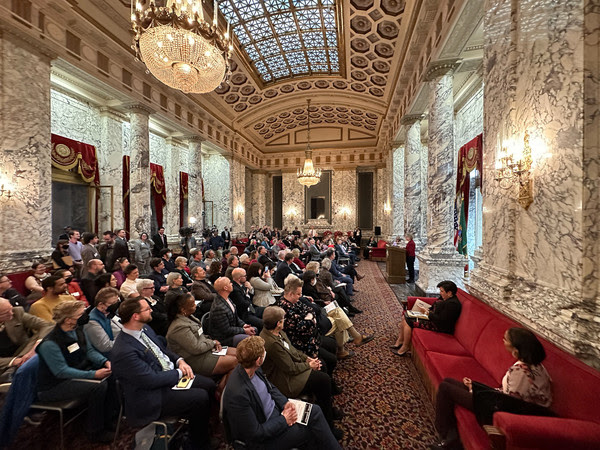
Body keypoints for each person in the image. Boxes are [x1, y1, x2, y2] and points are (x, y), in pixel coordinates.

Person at [110, 298, 216, 450]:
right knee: (200, 398)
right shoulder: (124, 351)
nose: (151, 310)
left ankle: (198, 429)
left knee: (209, 385)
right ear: (135, 316)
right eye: (147, 309)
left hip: (167, 376)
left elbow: (162, 350)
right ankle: (198, 444)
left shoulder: (144, 329)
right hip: (150, 395)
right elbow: (150, 380)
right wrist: (179, 373)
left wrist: (180, 360)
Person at [430, 328, 553, 449]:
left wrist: (477, 392)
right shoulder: (537, 366)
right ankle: (451, 437)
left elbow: (508, 403)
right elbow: (507, 395)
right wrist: (474, 386)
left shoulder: (521, 372)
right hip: (504, 402)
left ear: (515, 350)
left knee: (445, 388)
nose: (503, 340)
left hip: (507, 413)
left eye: (506, 339)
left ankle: (445, 436)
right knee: (448, 381)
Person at [222, 336, 342, 450]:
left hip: (278, 413)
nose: (265, 353)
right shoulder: (238, 394)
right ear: (259, 360)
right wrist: (284, 420)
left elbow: (271, 388)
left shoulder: (252, 367)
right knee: (310, 429)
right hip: (265, 438)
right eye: (264, 351)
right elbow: (256, 434)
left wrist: (285, 403)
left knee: (314, 411)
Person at [36, 300, 115, 443]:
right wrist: (93, 375)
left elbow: (89, 351)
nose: (85, 315)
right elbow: (61, 372)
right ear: (68, 320)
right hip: (55, 385)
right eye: (81, 314)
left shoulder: (78, 330)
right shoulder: (50, 343)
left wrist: (104, 361)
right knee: (98, 386)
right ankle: (95, 431)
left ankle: (109, 418)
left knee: (112, 374)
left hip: (77, 372)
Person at [260, 306, 343, 439]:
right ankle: (328, 426)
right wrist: (308, 365)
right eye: (283, 319)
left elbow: (293, 350)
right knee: (323, 380)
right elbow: (290, 368)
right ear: (278, 323)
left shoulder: (278, 332)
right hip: (284, 380)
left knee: (321, 365)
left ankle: (327, 409)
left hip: (290, 369)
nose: (285, 321)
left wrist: (307, 359)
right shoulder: (271, 343)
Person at [166, 292, 237, 390]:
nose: (196, 305)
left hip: (205, 350)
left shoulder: (189, 317)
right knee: (237, 362)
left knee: (240, 354)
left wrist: (212, 342)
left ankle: (222, 384)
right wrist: (212, 343)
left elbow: (201, 336)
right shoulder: (179, 327)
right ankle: (221, 391)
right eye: (192, 304)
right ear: (183, 309)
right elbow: (196, 348)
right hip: (195, 359)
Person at [392, 280, 462, 356]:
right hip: (431, 318)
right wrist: (427, 310)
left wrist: (427, 313)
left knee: (408, 321)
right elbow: (434, 307)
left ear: (449, 293)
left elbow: (441, 320)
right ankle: (400, 341)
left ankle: (405, 347)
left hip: (439, 326)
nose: (440, 293)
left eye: (442, 291)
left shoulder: (452, 304)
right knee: (405, 316)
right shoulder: (445, 298)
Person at [0, 297, 52, 381]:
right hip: (4, 361)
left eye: (11, 309)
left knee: (41, 335)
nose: (11, 313)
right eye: (6, 313)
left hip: (25, 351)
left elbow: (47, 325)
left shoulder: (16, 312)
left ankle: (17, 368)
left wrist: (36, 346)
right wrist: (14, 361)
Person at [209, 277, 256, 347]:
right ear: (225, 288)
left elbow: (235, 317)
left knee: (254, 329)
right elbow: (226, 330)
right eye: (230, 283)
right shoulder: (218, 307)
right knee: (250, 339)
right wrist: (244, 330)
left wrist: (244, 325)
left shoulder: (227, 298)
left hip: (232, 330)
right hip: (224, 338)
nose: (232, 284)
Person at [83, 287, 122, 356]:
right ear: (101, 304)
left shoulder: (108, 313)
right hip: (111, 356)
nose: (116, 305)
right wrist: (126, 339)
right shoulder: (92, 322)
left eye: (117, 301)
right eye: (113, 303)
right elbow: (106, 346)